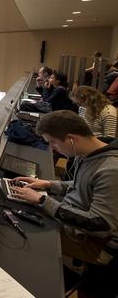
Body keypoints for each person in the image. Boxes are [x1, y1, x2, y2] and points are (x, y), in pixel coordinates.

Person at [11, 111, 118, 295]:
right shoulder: (92, 152)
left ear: (70, 139)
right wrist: (48, 184)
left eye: (53, 142)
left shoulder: (110, 170)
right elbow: (81, 186)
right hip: (77, 221)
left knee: (25, 237)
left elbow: (100, 224)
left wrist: (44, 200)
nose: (52, 148)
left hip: (97, 244)